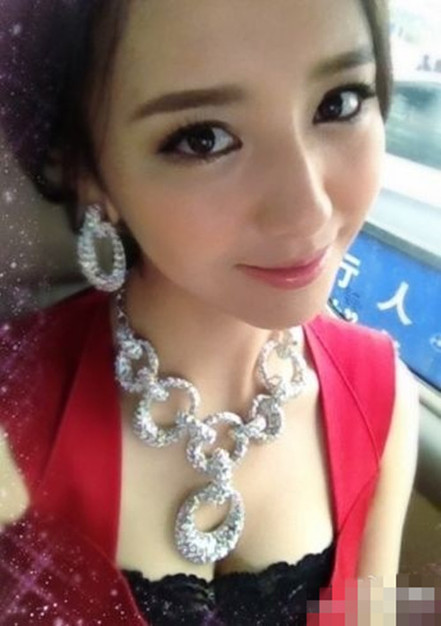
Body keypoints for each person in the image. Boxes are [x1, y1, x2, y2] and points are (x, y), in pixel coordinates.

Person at [0, 1, 420, 624]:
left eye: (338, 103)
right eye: (203, 139)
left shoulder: (384, 398)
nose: (306, 211)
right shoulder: (12, 407)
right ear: (89, 171)